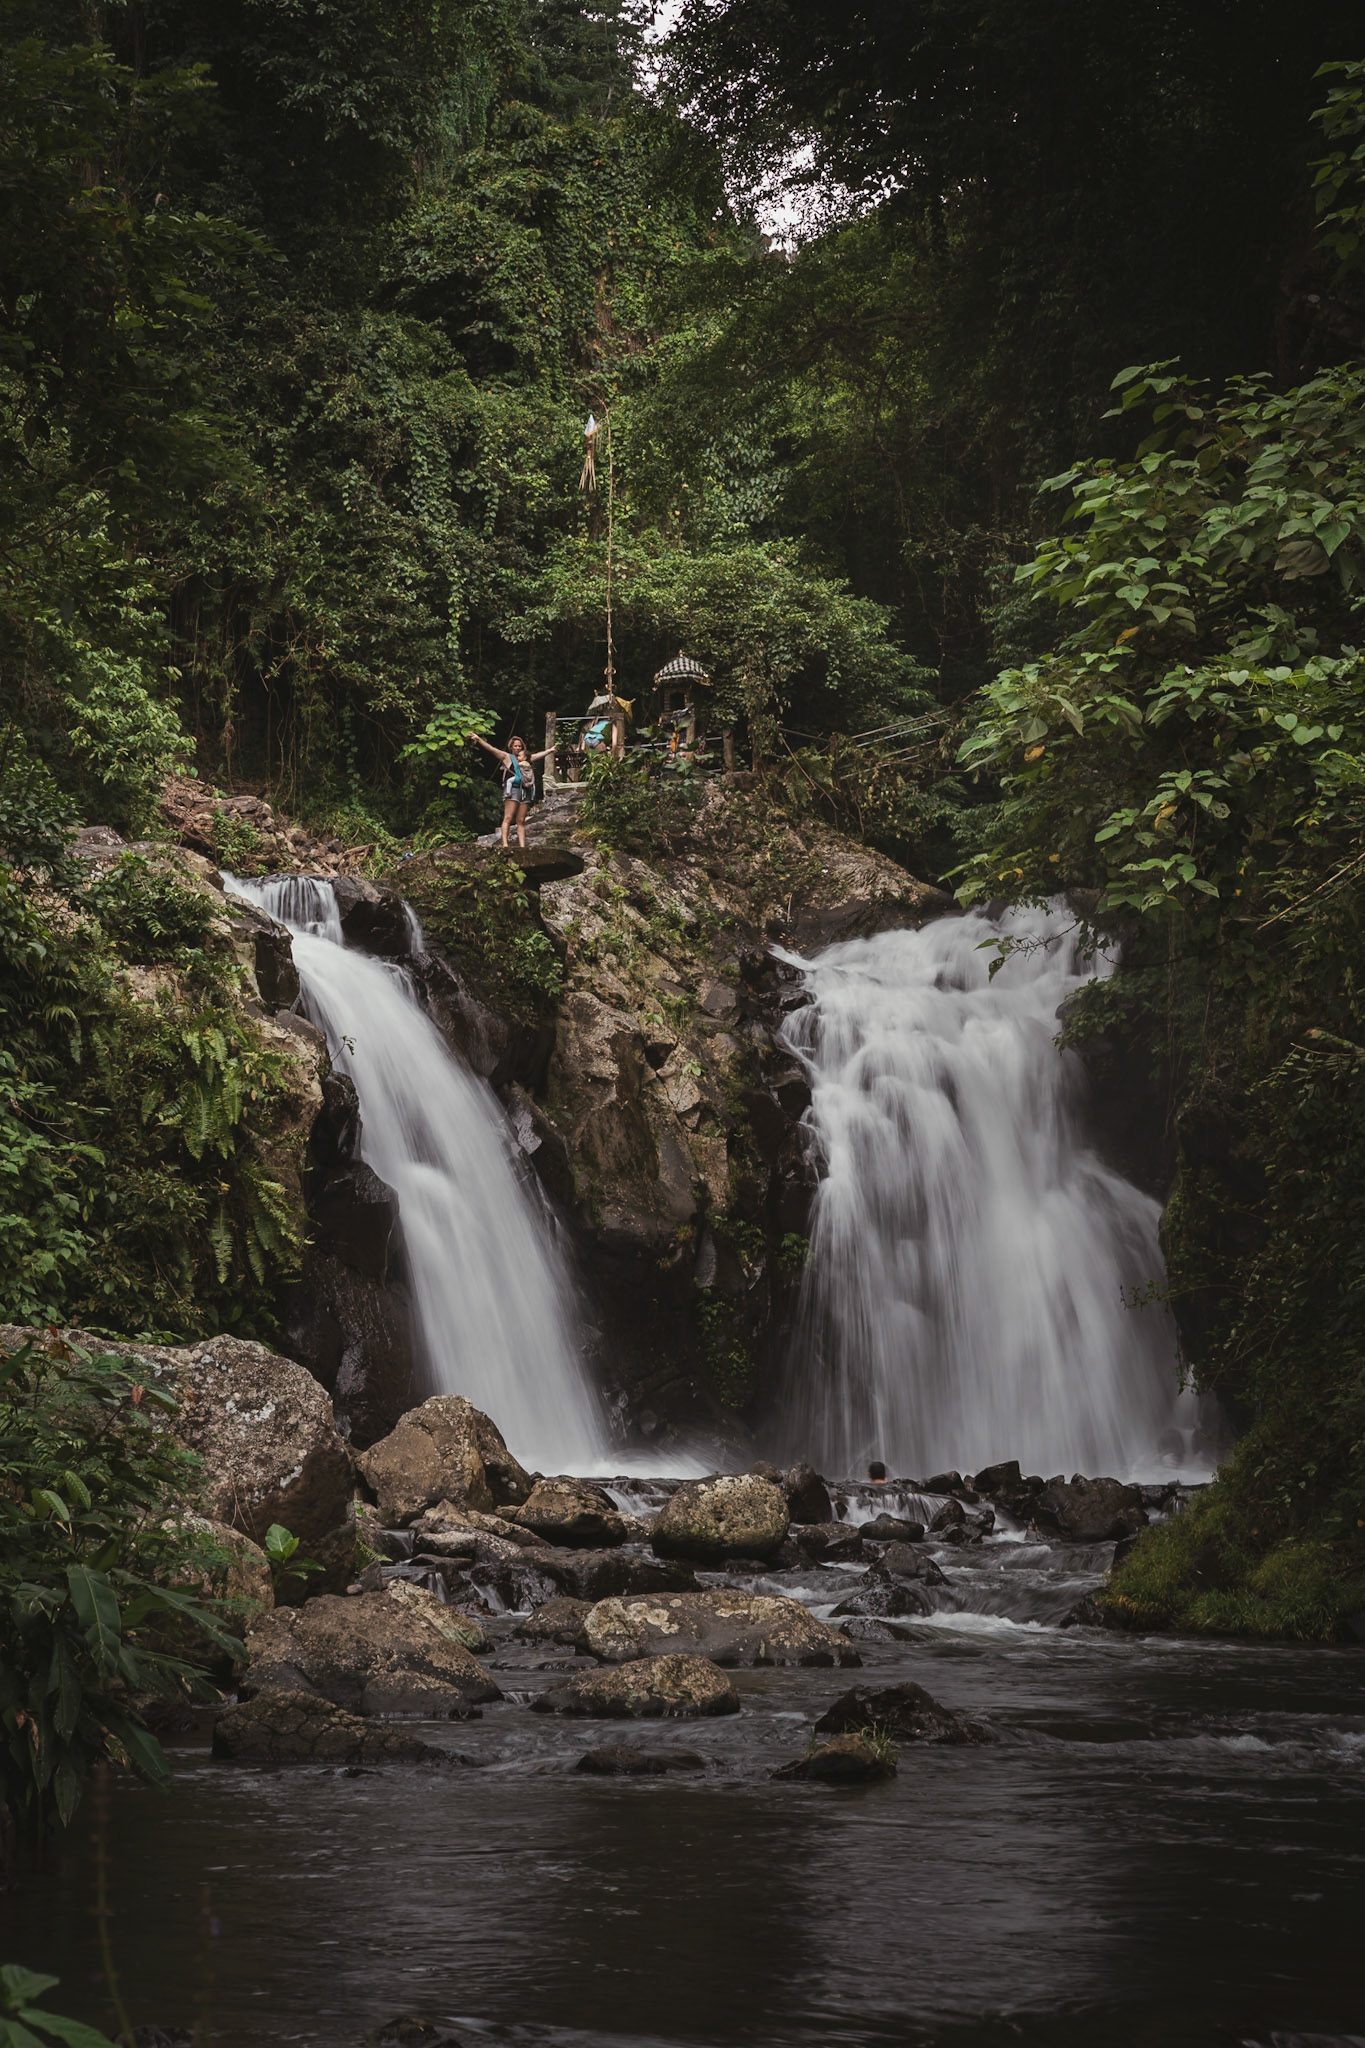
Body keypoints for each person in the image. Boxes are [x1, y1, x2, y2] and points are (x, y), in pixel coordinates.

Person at [469, 731, 552, 850]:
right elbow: (492, 749)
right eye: (515, 746)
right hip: (513, 789)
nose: (518, 748)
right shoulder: (507, 757)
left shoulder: (526, 758)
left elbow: (538, 755)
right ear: (511, 747)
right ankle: (505, 844)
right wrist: (478, 739)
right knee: (508, 817)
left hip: (525, 790)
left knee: (521, 820)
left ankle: (522, 846)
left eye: (520, 746)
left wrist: (550, 750)